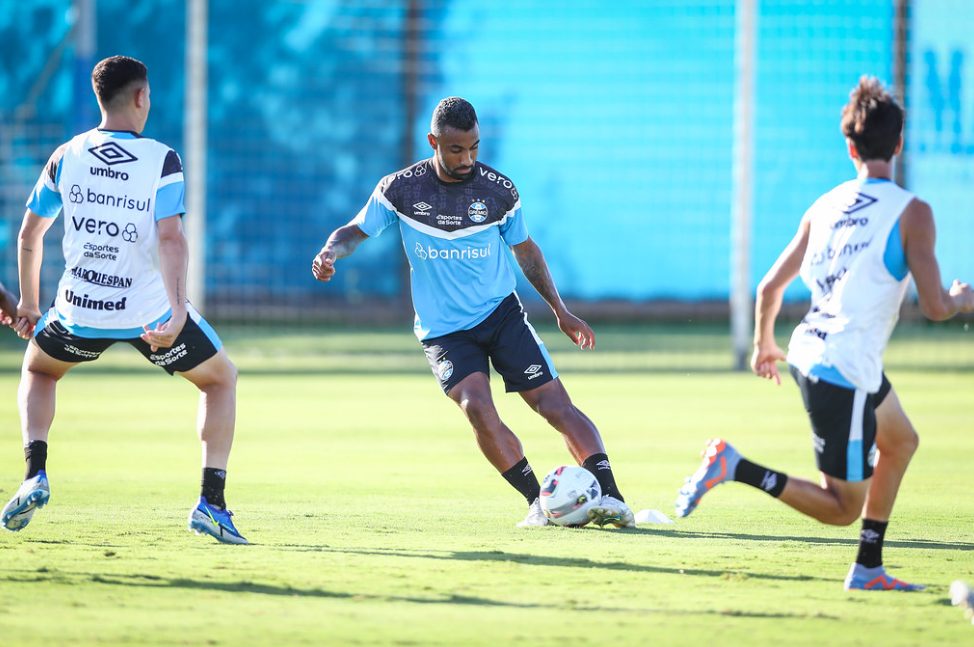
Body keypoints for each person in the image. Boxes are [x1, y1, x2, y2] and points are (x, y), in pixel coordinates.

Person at [674, 77, 974, 590]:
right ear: (898, 144)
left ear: (850, 147)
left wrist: (763, 345)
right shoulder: (913, 212)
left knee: (900, 441)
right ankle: (735, 466)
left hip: (820, 350)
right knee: (840, 508)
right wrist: (963, 298)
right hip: (843, 367)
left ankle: (868, 567)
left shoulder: (825, 205)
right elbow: (934, 306)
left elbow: (769, 288)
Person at [312, 96, 634, 528]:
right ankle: (536, 503)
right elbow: (355, 231)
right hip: (443, 332)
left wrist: (561, 311)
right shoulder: (400, 189)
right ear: (434, 142)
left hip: (501, 315)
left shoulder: (499, 191)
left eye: (474, 147)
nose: (467, 159)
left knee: (555, 406)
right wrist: (331, 252)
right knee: (477, 408)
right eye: (456, 149)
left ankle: (612, 498)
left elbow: (527, 252)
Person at [1, 55, 246, 544]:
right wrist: (177, 312)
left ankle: (35, 473)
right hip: (147, 315)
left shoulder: (66, 155)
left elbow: (30, 232)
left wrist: (29, 303)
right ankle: (211, 504)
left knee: (39, 370)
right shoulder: (162, 158)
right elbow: (171, 238)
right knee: (221, 380)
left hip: (78, 310)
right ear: (140, 97)